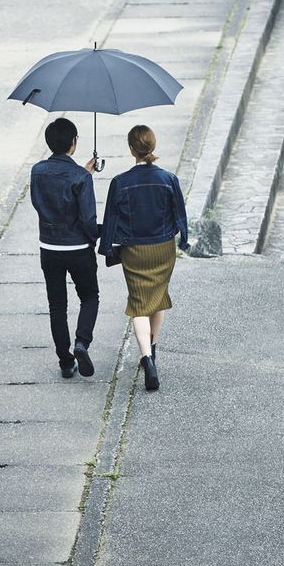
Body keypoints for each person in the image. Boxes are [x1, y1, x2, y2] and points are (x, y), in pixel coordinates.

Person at [99, 125, 188, 392]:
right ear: (153, 146)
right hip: (163, 248)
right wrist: (183, 238)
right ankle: (153, 345)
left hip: (134, 250)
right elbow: (179, 213)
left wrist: (106, 248)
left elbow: (110, 220)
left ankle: (146, 358)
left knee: (138, 303)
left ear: (130, 149)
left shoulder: (120, 182)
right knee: (158, 296)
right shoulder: (169, 179)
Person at [30, 117, 100, 379]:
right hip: (78, 248)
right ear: (73, 143)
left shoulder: (37, 171)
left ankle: (65, 361)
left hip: (49, 247)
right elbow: (88, 219)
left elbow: (39, 202)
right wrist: (96, 238)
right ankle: (81, 342)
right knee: (90, 297)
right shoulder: (80, 177)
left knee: (57, 305)